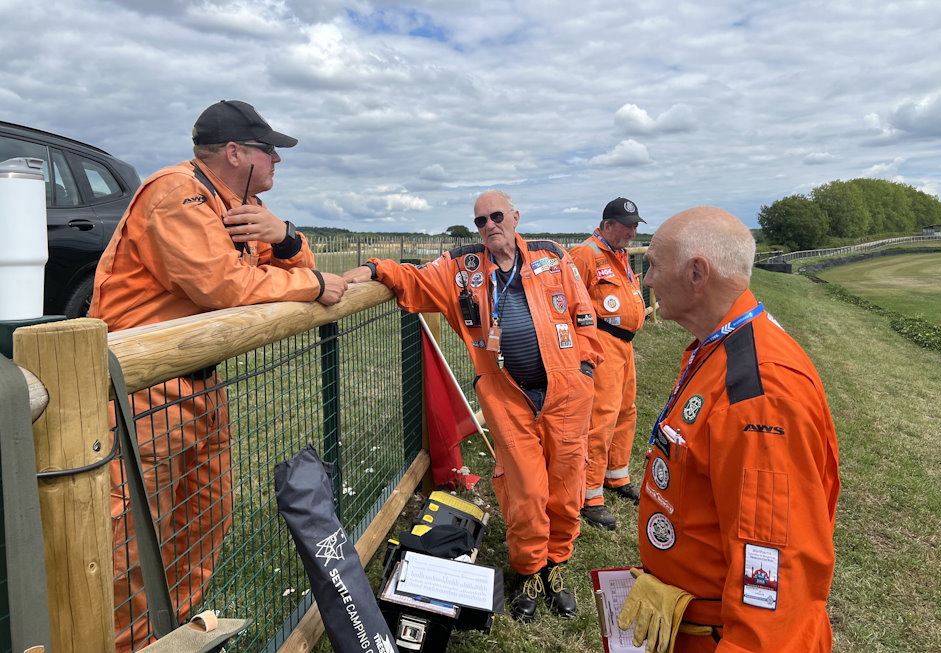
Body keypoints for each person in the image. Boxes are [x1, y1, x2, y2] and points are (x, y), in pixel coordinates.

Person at [90, 99, 347, 651]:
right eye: (268, 149)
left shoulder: (237, 204)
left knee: (205, 513)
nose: (278, 160)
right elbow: (226, 287)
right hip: (141, 386)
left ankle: (176, 635)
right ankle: (127, 644)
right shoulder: (175, 193)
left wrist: (286, 237)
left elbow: (291, 268)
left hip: (199, 380)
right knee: (132, 535)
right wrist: (315, 284)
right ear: (235, 152)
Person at [342, 190, 602, 623]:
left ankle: (557, 564)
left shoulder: (552, 255)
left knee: (567, 479)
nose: (489, 226)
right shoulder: (461, 268)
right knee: (527, 489)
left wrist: (586, 368)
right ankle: (531, 571)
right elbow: (413, 279)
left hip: (566, 393)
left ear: (516, 217)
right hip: (506, 396)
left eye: (496, 216)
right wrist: (374, 268)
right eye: (480, 221)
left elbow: (583, 312)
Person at [617, 207, 840, 652]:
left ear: (697, 273)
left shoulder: (758, 395)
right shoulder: (719, 347)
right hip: (689, 617)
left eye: (654, 266)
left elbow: (774, 565)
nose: (646, 280)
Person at [569, 197, 646, 531]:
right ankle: (589, 495)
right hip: (602, 346)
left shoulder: (620, 253)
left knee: (626, 412)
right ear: (609, 225)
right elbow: (567, 302)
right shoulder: (586, 254)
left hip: (624, 346)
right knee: (601, 418)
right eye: (627, 227)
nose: (632, 233)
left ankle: (617, 475)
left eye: (634, 227)